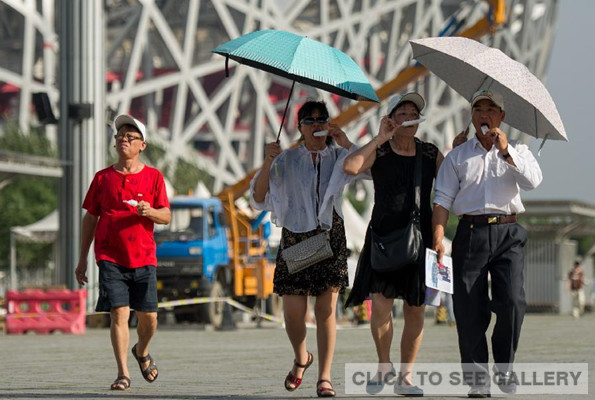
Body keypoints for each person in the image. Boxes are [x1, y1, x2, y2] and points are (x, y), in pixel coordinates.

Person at [432, 89, 543, 398]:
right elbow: (441, 199)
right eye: (477, 109)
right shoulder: (457, 156)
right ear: (471, 115)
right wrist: (439, 237)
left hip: (509, 233)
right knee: (468, 309)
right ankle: (478, 380)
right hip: (471, 233)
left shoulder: (518, 150)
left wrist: (507, 153)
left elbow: (533, 182)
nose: (483, 114)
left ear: (501, 116)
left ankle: (504, 368)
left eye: (490, 109)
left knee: (512, 302)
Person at [250, 100, 354, 398]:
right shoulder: (287, 159)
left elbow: (368, 169)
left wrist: (347, 141)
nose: (317, 124)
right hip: (296, 235)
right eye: (310, 120)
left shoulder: (339, 156)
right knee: (293, 314)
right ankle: (301, 357)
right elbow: (258, 198)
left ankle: (324, 376)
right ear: (300, 127)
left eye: (322, 119)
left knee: (325, 310)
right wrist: (268, 161)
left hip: (330, 233)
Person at [343, 92, 443, 396]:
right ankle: (383, 365)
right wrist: (379, 138)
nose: (410, 116)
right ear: (392, 119)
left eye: (414, 112)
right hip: (384, 238)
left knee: (416, 309)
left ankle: (405, 377)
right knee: (381, 307)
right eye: (403, 112)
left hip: (420, 239)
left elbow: (453, 182)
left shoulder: (428, 153)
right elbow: (351, 167)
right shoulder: (381, 151)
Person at [75, 114, 171, 391]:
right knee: (119, 314)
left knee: (149, 319)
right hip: (110, 257)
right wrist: (83, 258)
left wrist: (149, 211)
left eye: (130, 137)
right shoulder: (102, 178)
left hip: (143, 258)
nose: (123, 141)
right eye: (119, 137)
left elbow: (166, 216)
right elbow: (90, 218)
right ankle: (123, 374)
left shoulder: (154, 177)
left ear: (142, 145)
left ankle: (141, 351)